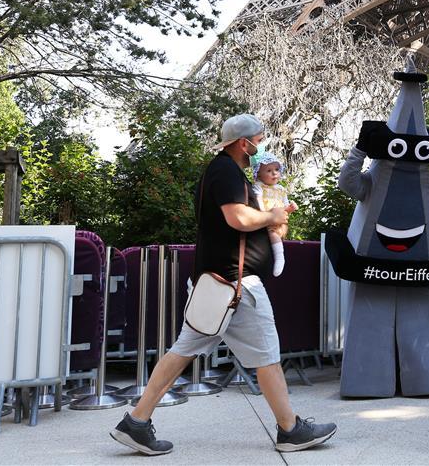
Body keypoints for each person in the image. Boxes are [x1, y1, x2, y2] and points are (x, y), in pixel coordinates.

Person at [110, 114, 336, 456]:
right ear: (244, 143)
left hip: (218, 285)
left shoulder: (220, 171)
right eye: (258, 141)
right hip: (235, 286)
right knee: (266, 357)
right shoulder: (227, 172)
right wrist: (272, 218)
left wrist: (272, 225)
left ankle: (137, 422)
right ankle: (290, 430)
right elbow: (238, 218)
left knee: (183, 351)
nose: (261, 148)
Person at [251, 152, 297, 277]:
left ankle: (277, 255)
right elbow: (258, 202)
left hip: (279, 220)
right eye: (269, 170)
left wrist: (290, 209)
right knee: (273, 234)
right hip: (265, 219)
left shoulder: (281, 189)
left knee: (277, 234)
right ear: (258, 173)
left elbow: (285, 208)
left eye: (277, 169)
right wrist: (265, 215)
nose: (274, 173)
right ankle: (280, 257)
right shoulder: (259, 187)